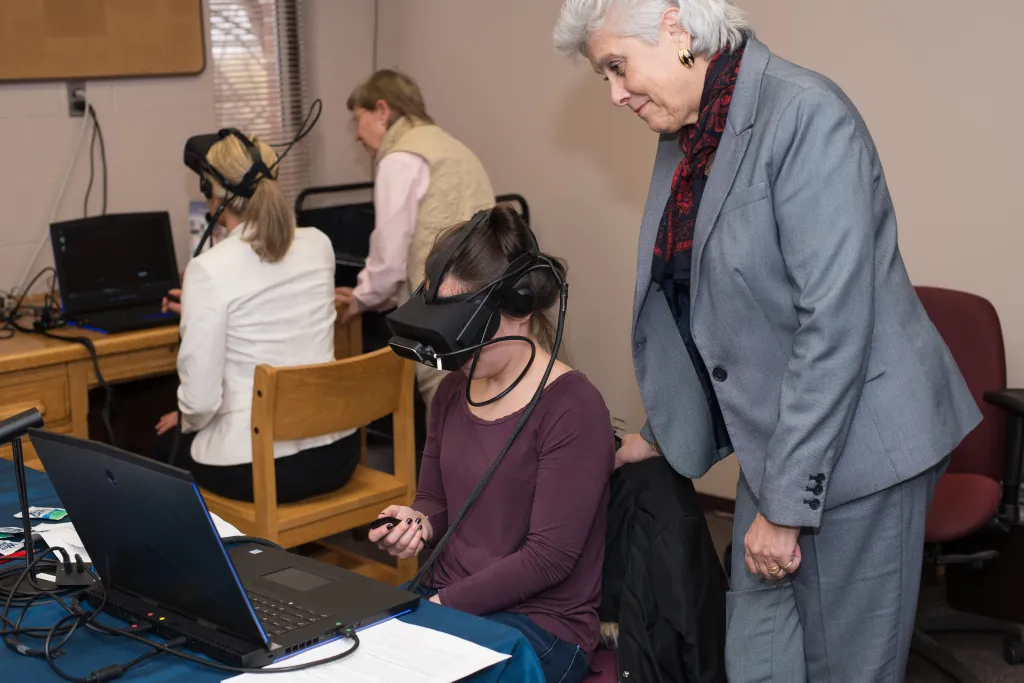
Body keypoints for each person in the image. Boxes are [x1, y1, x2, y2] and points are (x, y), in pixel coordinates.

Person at [553, 1, 981, 681]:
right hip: (780, 440)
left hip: (863, 445)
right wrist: (661, 431)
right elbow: (710, 306)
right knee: (757, 659)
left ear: (675, 28)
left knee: (845, 667)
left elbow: (833, 323)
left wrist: (783, 509)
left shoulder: (804, 113)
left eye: (616, 67)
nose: (614, 93)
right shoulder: (690, 135)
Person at [368, 205, 614, 683]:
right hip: (451, 603)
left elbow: (549, 559)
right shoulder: (451, 393)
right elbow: (436, 500)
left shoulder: (574, 407)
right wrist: (417, 523)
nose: (453, 347)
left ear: (519, 305)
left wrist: (440, 608)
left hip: (541, 626)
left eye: (466, 325)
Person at [154, 132, 361, 503]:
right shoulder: (318, 244)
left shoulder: (209, 270)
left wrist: (185, 420)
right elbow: (282, 315)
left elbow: (199, 404)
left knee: (156, 445)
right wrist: (205, 309)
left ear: (213, 195)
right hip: (338, 453)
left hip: (257, 466)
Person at [337, 69, 495, 412]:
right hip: (488, 306)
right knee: (488, 412)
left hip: (441, 318)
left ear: (382, 110)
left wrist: (361, 298)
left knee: (449, 414)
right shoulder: (454, 148)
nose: (356, 136)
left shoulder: (399, 159)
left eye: (357, 118)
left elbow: (390, 257)